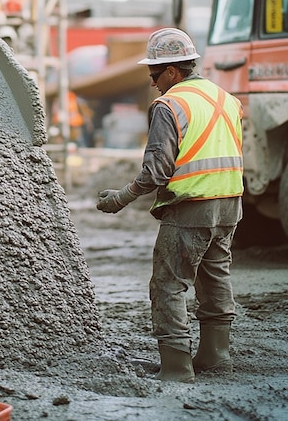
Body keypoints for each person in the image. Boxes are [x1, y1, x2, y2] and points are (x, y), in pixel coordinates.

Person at [96, 28, 243, 383]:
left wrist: (121, 198)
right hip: (229, 204)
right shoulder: (226, 99)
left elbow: (156, 172)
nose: (152, 84)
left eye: (154, 75)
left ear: (173, 72)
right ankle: (215, 355)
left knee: (168, 285)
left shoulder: (170, 104)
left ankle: (177, 367)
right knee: (214, 277)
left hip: (192, 205)